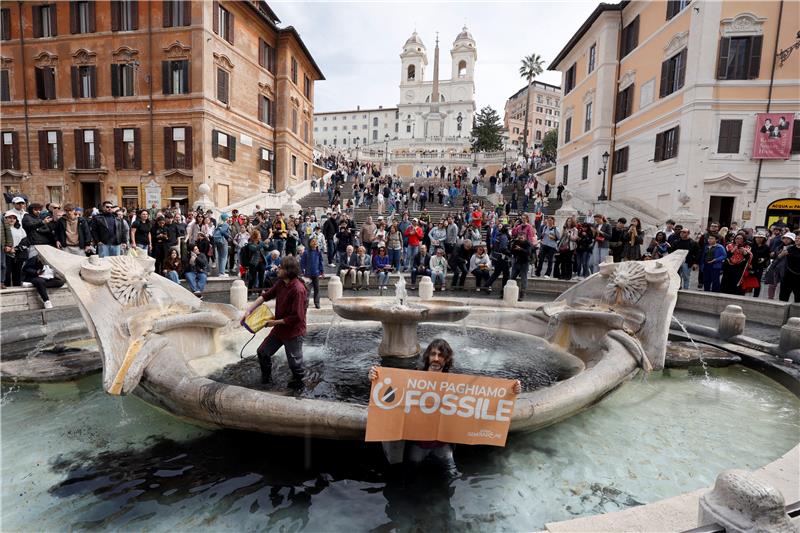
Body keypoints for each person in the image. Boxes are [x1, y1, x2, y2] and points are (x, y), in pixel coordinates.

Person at [367, 339, 521, 478]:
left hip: (442, 446)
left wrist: (511, 391)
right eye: (433, 354)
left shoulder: (456, 383)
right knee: (409, 475)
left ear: (447, 359)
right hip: (418, 445)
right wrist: (374, 377)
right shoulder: (412, 378)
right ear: (427, 356)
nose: (435, 359)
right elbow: (387, 394)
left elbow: (485, 399)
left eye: (441, 355)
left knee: (451, 475)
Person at [243, 256, 308, 387]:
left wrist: (274, 322)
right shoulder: (281, 283)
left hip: (294, 333)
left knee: (295, 366)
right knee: (262, 352)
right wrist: (248, 311)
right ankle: (267, 382)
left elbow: (297, 317)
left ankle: (299, 388)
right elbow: (265, 296)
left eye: (281, 267)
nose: (277, 268)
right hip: (279, 329)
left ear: (288, 271)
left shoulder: (298, 290)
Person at [300, 236, 325, 309]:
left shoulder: (318, 252)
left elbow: (321, 262)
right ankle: (305, 303)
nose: (314, 243)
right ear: (309, 243)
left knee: (317, 289)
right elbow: (302, 263)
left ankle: (317, 303)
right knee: (307, 290)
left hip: (316, 273)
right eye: (313, 241)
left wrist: (322, 271)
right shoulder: (306, 252)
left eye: (315, 241)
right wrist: (302, 271)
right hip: (308, 274)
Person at [778, 233, 800, 302]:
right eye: (796, 238)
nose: (797, 239)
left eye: (799, 238)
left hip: (799, 278)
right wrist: (781, 254)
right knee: (783, 298)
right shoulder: (790, 248)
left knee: (798, 299)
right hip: (788, 276)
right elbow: (778, 257)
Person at [510, 233, 532, 301]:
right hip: (517, 261)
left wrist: (521, 249)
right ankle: (510, 291)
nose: (520, 240)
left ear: (524, 238)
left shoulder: (527, 243)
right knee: (512, 277)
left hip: (525, 262)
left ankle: (523, 293)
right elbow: (512, 251)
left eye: (521, 238)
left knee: (523, 278)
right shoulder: (516, 242)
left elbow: (528, 252)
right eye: (519, 238)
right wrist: (515, 250)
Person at [750, 232, 771, 298]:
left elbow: (768, 256)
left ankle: (756, 296)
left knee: (757, 281)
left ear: (764, 239)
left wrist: (764, 259)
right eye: (757, 237)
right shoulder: (751, 245)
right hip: (750, 265)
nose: (759, 239)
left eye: (761, 237)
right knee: (748, 279)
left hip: (759, 266)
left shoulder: (766, 247)